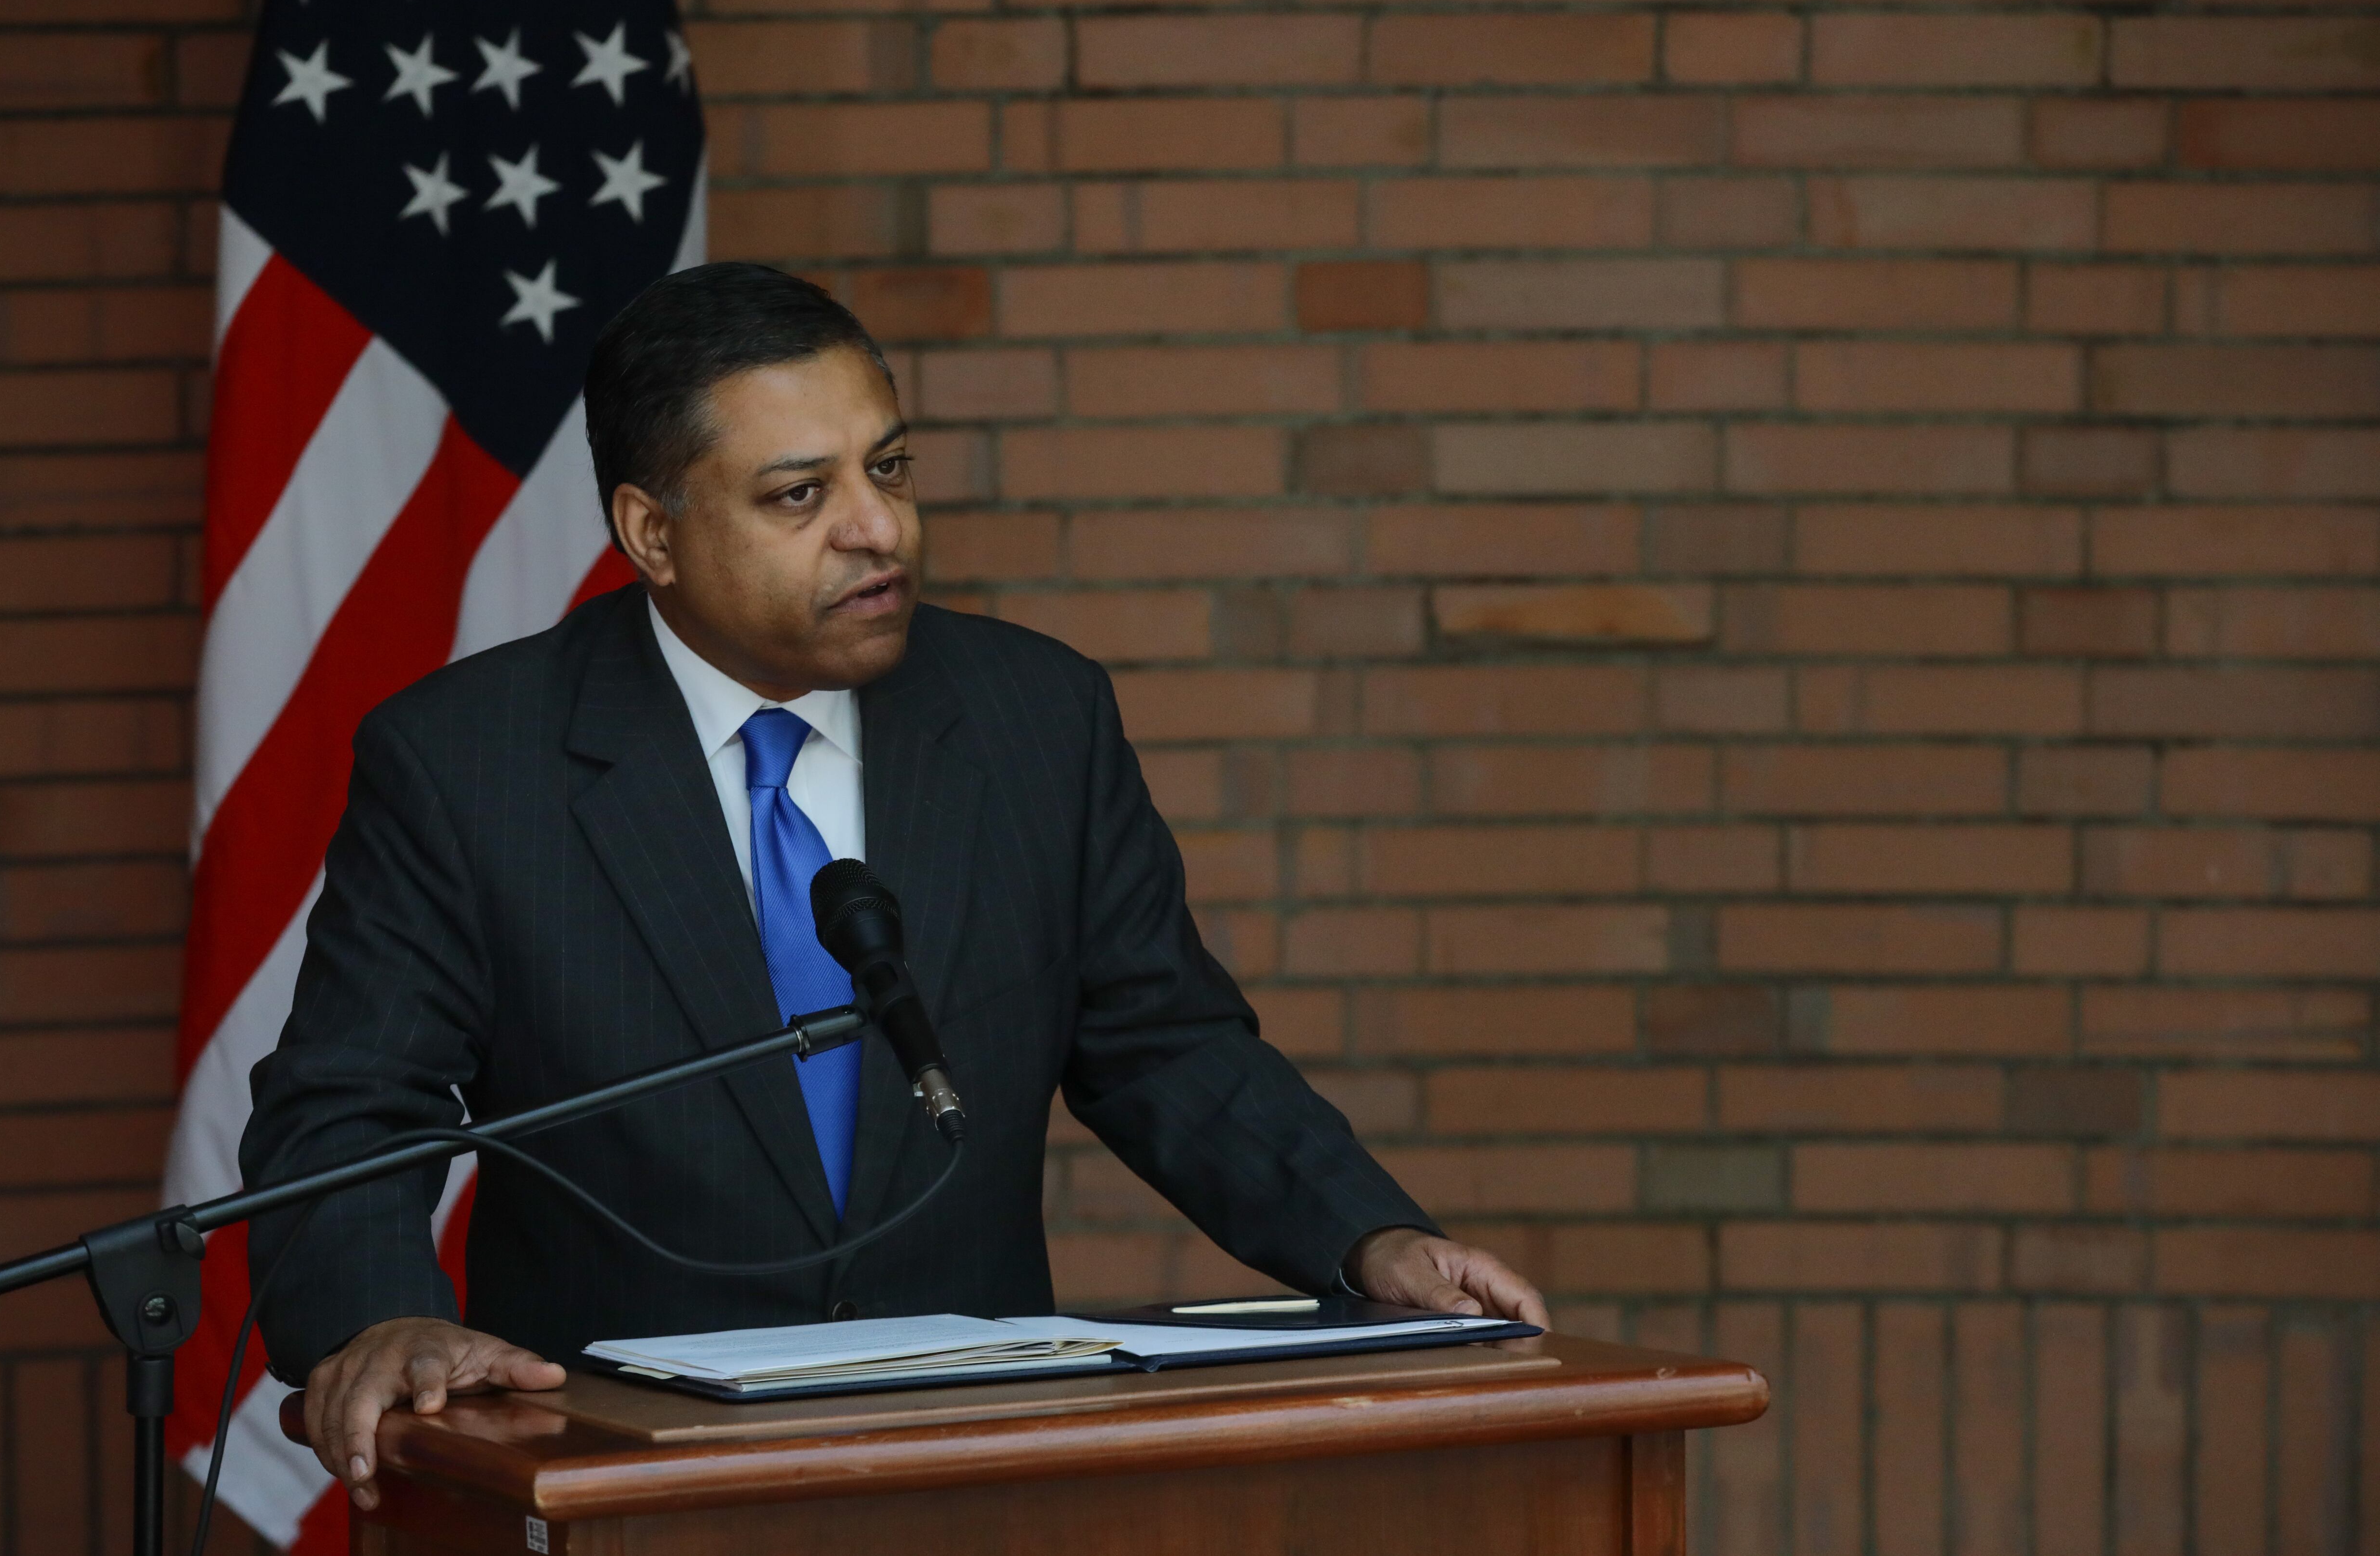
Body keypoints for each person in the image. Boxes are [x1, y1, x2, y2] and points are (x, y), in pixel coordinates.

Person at [241, 263, 1549, 1510]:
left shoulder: (1035, 717)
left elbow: (1167, 1044)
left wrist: (1367, 1240)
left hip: (965, 1462)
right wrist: (381, 1318)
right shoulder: (472, 763)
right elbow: (356, 1102)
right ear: (652, 532)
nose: (877, 528)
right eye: (798, 495)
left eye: (890, 468)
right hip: (622, 1470)